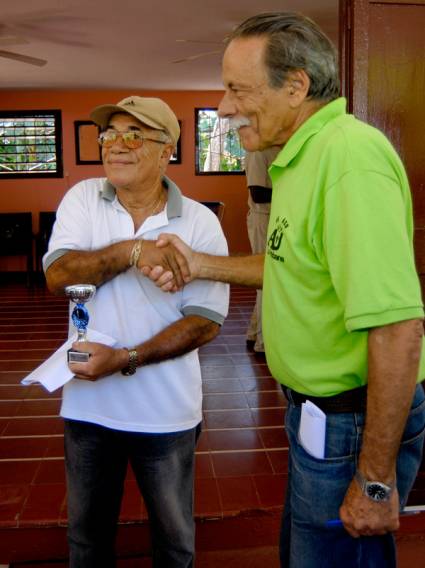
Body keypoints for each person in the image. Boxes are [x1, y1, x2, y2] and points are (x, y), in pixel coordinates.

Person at [143, 13, 425, 568]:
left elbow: (397, 327)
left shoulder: (348, 159)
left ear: (296, 86)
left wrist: (373, 480)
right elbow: (289, 264)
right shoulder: (299, 158)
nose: (224, 107)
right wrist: (201, 264)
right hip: (317, 417)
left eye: (236, 90)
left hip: (350, 423)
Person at [43, 95, 229, 568]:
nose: (115, 146)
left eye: (134, 136)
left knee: (173, 544)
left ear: (167, 150)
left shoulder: (200, 222)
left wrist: (126, 359)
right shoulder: (83, 198)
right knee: (86, 543)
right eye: (109, 135)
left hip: (166, 414)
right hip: (88, 408)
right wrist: (133, 251)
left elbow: (205, 321)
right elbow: (58, 274)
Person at [244, 147, 281, 353]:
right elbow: (258, 193)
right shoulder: (259, 151)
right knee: (267, 277)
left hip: (273, 216)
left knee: (268, 277)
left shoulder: (277, 147)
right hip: (263, 217)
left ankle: (254, 332)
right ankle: (264, 341)